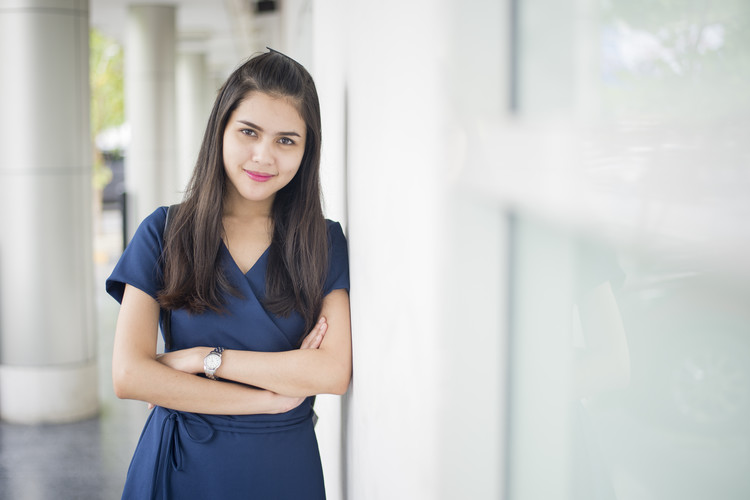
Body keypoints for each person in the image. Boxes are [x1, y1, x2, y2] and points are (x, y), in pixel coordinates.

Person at [106, 49, 351, 499]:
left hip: (282, 468)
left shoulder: (324, 241)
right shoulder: (163, 232)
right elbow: (130, 375)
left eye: (286, 140)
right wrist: (267, 399)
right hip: (181, 464)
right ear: (220, 130)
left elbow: (333, 370)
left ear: (306, 150)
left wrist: (201, 359)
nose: (263, 156)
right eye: (249, 132)